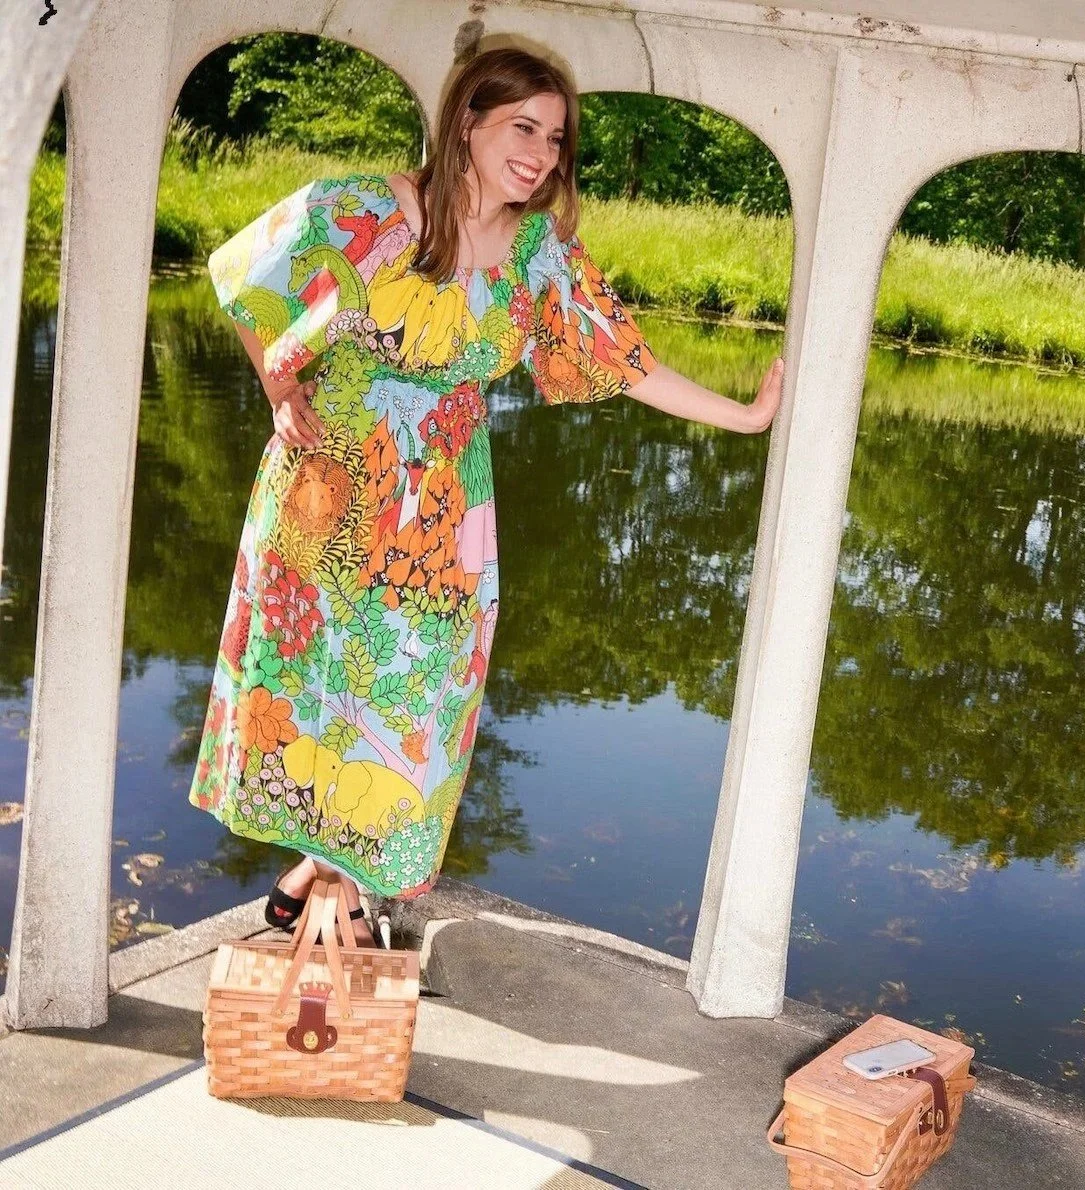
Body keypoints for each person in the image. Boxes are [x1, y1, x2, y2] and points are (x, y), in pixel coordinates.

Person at [188, 46, 782, 945]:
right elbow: (246, 280)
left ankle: (326, 872)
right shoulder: (375, 209)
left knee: (412, 706)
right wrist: (279, 386)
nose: (542, 154)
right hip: (329, 498)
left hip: (441, 522)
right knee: (312, 688)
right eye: (523, 127)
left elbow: (626, 361)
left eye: (555, 138)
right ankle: (332, 890)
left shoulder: (541, 254)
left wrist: (744, 416)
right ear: (467, 120)